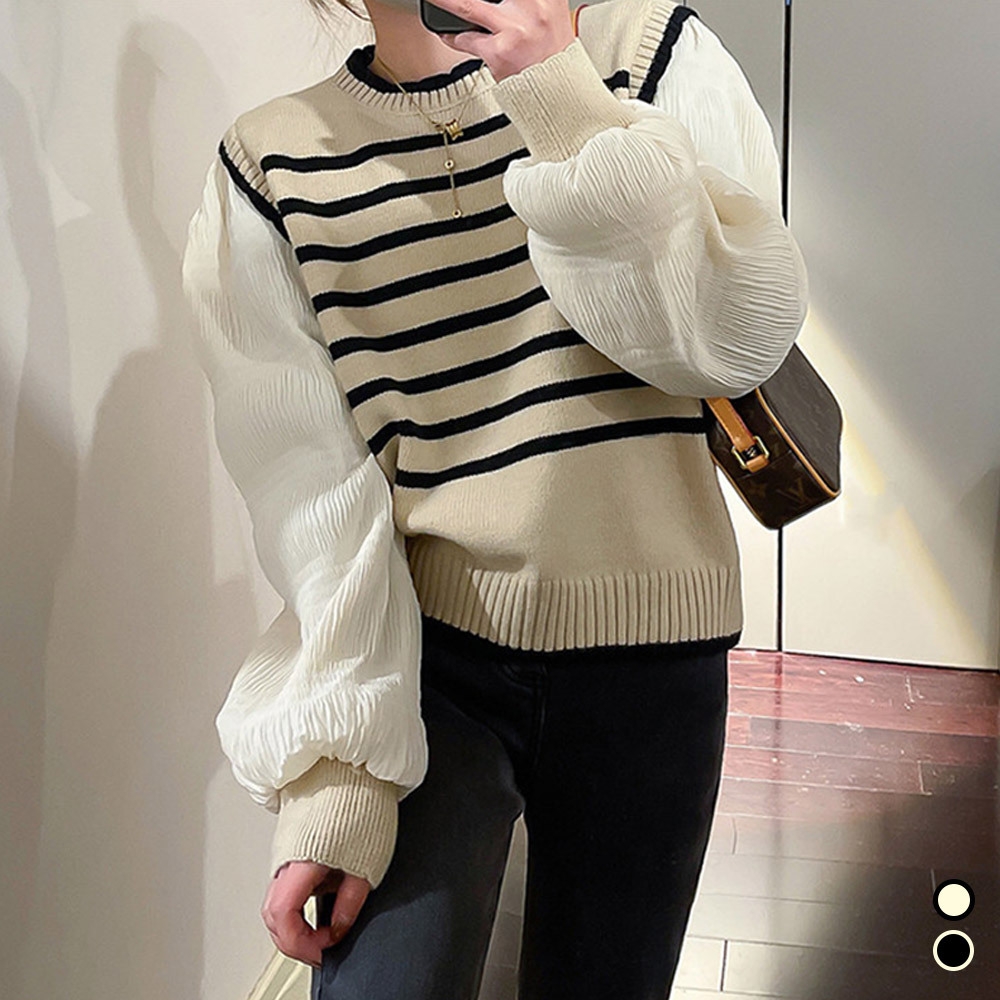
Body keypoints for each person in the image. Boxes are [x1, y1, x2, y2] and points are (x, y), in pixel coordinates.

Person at [180, 0, 809, 996]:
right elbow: (315, 502)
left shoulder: (647, 52)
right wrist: (337, 782)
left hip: (653, 657)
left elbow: (730, 344)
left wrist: (560, 98)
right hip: (435, 664)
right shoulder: (270, 163)